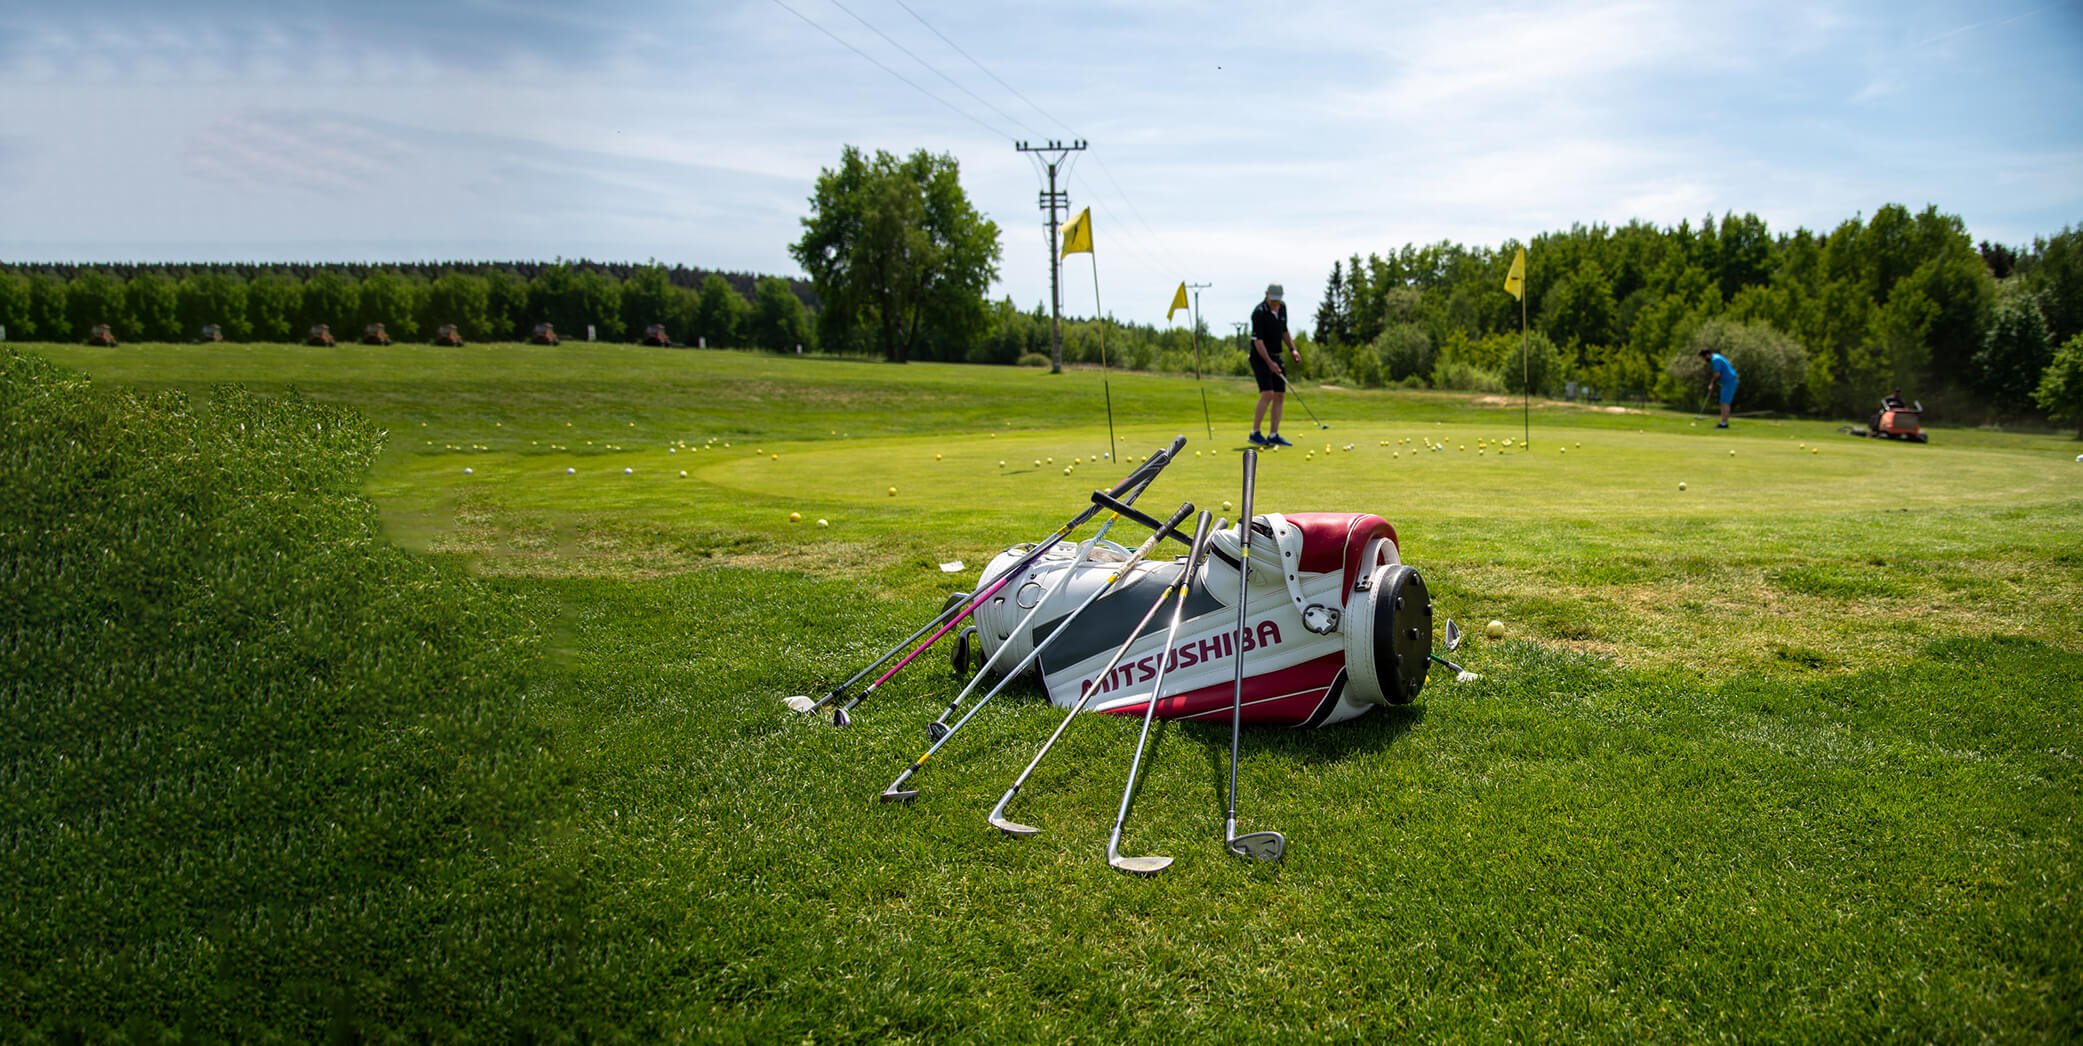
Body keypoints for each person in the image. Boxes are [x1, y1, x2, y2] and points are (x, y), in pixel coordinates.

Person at [1248, 283, 1304, 446]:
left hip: (1276, 355)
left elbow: (1284, 331)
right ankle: (1255, 433)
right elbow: (1258, 342)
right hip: (1260, 357)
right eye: (1273, 300)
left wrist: (1293, 349)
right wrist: (1269, 362)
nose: (1275, 303)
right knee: (1268, 393)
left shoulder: (1283, 308)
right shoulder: (1259, 313)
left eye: (1278, 300)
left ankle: (1273, 435)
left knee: (1279, 394)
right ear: (1267, 295)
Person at [1699, 348, 1738, 428]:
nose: (1704, 360)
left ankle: (1724, 423)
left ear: (1707, 355)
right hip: (1727, 382)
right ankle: (1723, 422)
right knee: (1723, 402)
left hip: (1729, 382)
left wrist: (1711, 384)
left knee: (1725, 402)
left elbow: (1717, 374)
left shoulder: (1716, 360)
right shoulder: (1716, 356)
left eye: (1703, 358)